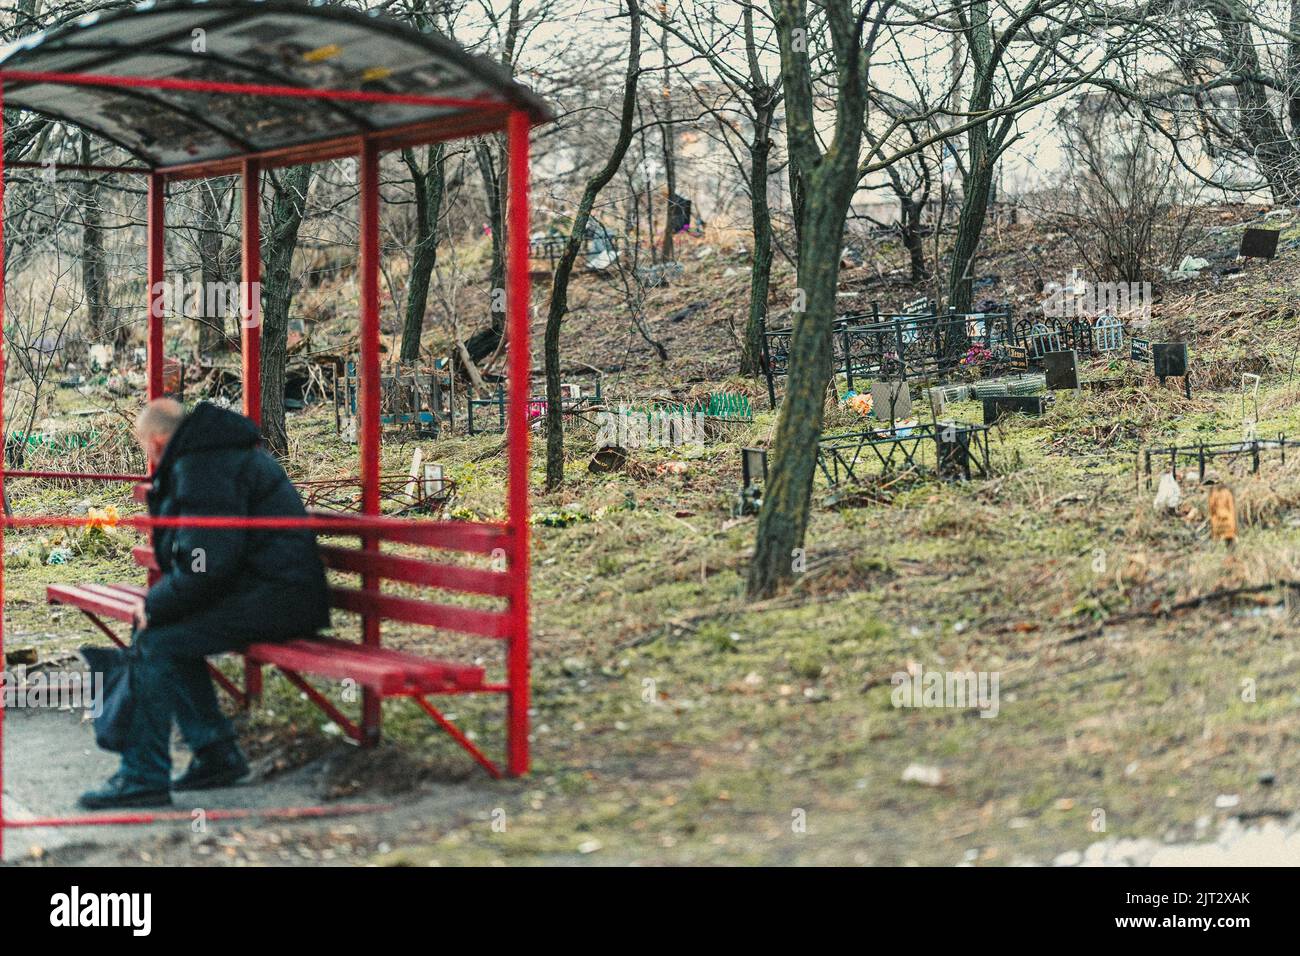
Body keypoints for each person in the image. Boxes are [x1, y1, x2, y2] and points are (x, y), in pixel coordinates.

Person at [79, 399, 331, 809]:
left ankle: (143, 776)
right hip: (267, 591)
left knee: (157, 640)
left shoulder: (205, 467)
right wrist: (162, 603)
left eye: (145, 448)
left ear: (158, 442)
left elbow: (205, 562)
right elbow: (206, 557)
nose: (148, 458)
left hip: (276, 599)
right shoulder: (211, 458)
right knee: (159, 634)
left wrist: (158, 603)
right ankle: (215, 753)